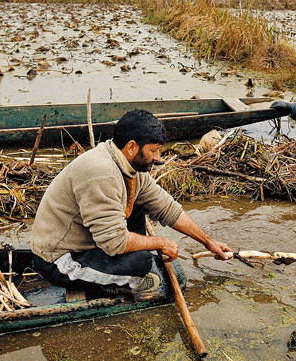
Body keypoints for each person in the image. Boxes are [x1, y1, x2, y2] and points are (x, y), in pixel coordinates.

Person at [31, 109, 233, 299]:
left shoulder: (128, 167)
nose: (158, 158)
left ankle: (120, 275)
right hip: (59, 261)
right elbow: (114, 242)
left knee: (137, 208)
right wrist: (161, 243)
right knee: (141, 263)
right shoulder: (102, 173)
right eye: (153, 151)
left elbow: (167, 208)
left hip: (89, 243)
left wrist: (208, 242)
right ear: (131, 147)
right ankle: (116, 285)